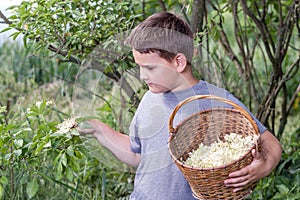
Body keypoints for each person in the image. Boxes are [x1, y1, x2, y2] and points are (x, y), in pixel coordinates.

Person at [78, 11, 282, 200]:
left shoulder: (215, 101)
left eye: (149, 67)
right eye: (139, 67)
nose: (142, 76)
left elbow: (271, 144)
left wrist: (262, 168)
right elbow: (138, 154)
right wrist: (98, 129)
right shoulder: (150, 99)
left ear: (179, 62)